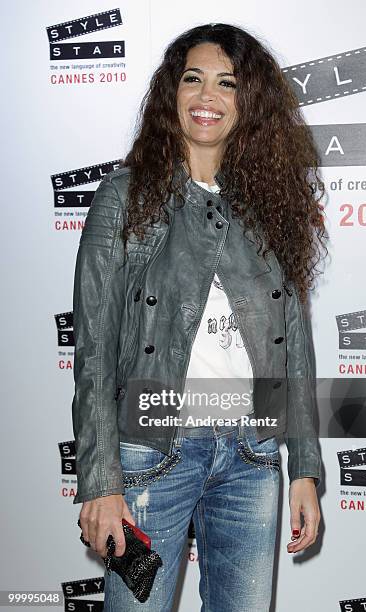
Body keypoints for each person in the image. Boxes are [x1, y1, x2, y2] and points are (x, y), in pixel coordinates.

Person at [72, 23, 328, 612]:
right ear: (173, 93)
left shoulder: (271, 204)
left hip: (253, 456)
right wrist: (101, 482)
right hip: (150, 451)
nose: (207, 96)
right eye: (193, 79)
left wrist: (304, 470)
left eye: (227, 83)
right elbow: (94, 351)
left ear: (249, 102)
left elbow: (296, 347)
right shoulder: (126, 196)